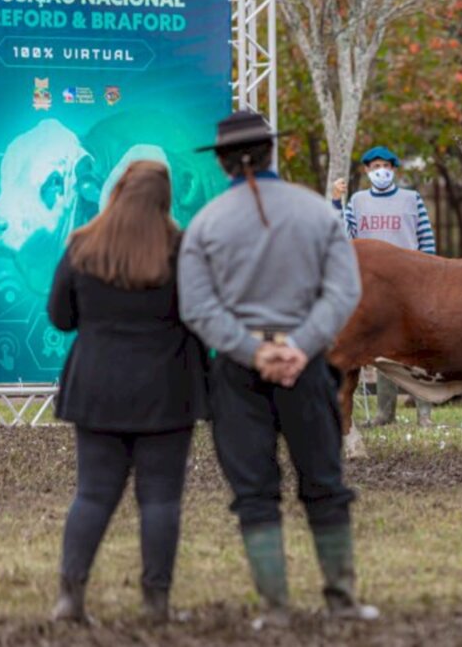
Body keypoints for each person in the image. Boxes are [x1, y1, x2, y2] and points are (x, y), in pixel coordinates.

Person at [180, 111, 377, 626]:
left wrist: (252, 350)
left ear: (222, 162)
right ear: (272, 153)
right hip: (307, 367)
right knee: (325, 481)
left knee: (254, 490)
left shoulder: (204, 224)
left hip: (237, 374)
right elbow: (344, 291)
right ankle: (343, 598)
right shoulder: (317, 213)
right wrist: (300, 345)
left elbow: (198, 308)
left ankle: (275, 607)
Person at [48, 161, 208, 625]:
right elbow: (198, 316)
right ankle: (156, 605)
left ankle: (69, 598)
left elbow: (61, 316)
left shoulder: (81, 245)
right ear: (165, 200)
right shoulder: (181, 251)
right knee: (160, 499)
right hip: (166, 390)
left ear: (116, 191)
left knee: (93, 495)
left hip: (96, 388)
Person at [331, 146, 435, 428]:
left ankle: (424, 411)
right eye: (376, 166)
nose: (381, 171)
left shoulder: (411, 199)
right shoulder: (358, 200)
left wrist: (430, 273)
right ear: (367, 170)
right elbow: (345, 236)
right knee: (383, 348)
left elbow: (426, 238)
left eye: (387, 166)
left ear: (394, 170)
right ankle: (385, 412)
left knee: (417, 346)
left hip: (410, 279)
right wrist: (335, 202)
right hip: (373, 283)